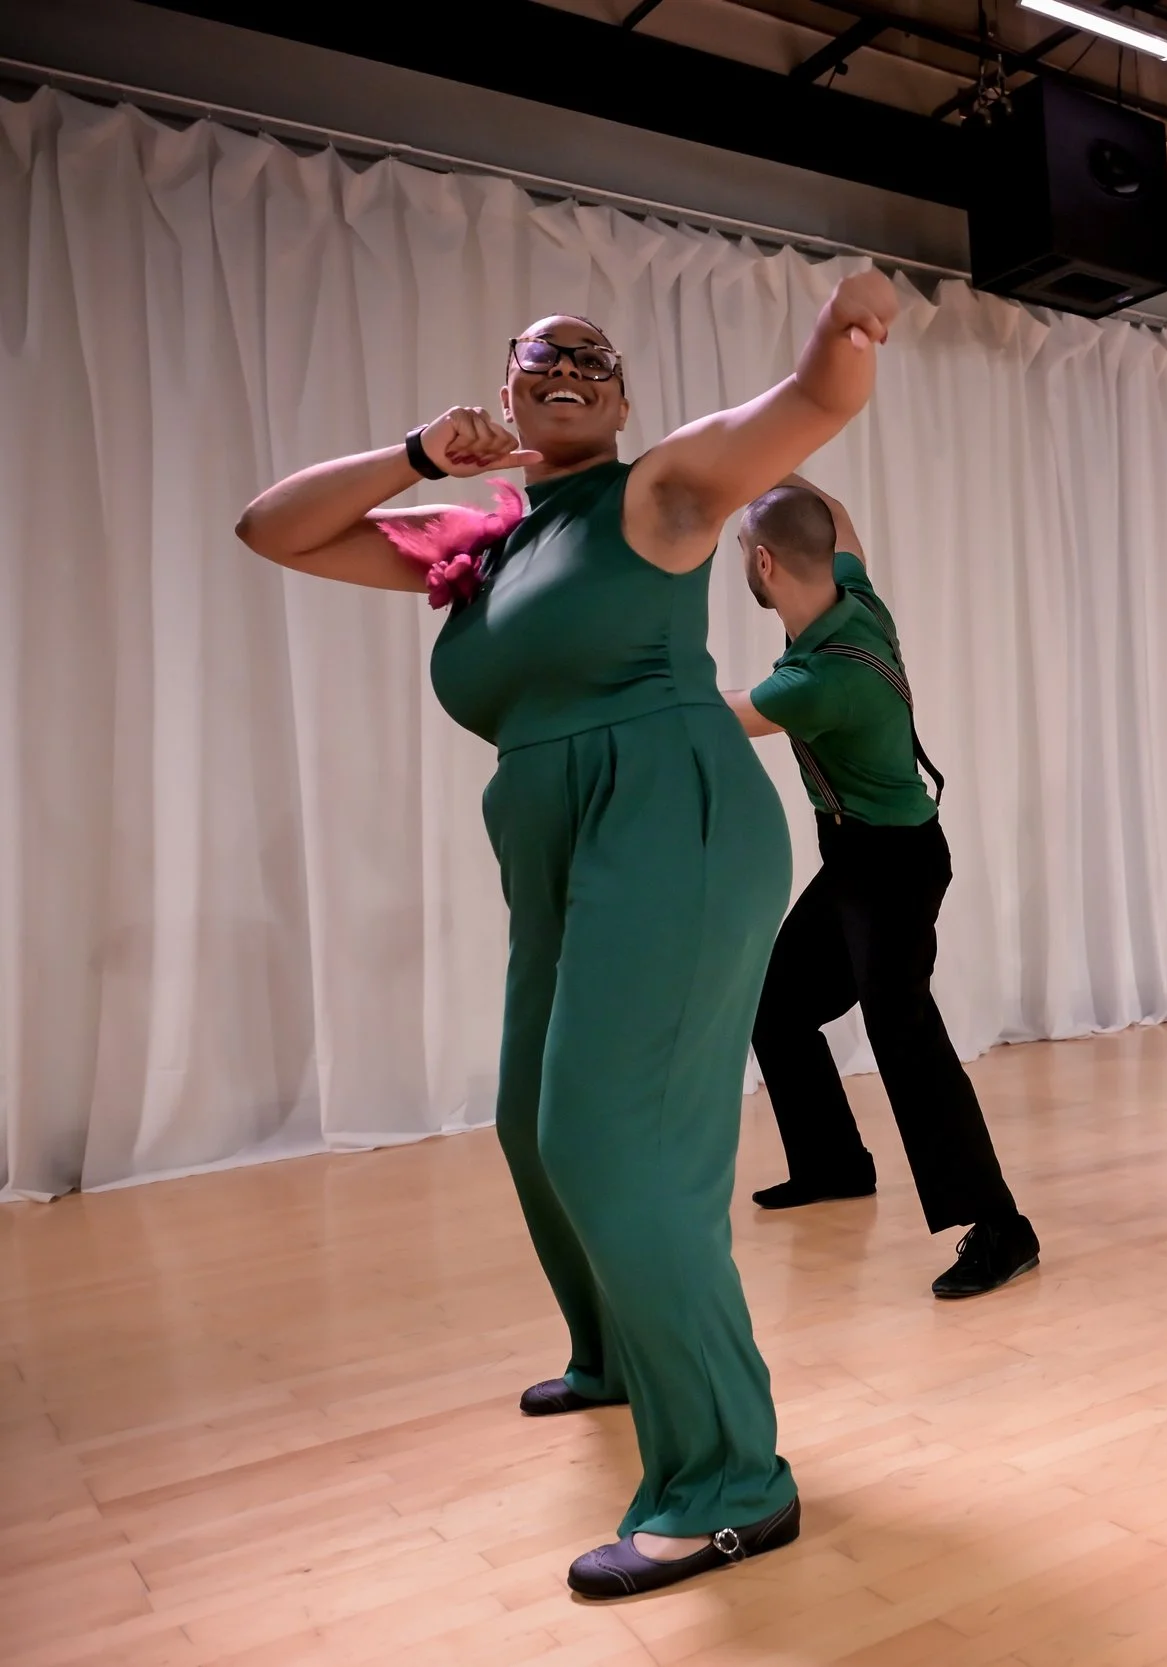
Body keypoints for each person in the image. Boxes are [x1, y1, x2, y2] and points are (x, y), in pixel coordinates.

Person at [234, 269, 902, 1597]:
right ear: (505, 389)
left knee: (612, 1137)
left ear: (623, 394)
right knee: (529, 1116)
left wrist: (846, 333)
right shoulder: (479, 538)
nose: (567, 362)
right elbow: (273, 527)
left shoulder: (651, 495)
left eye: (592, 353)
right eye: (540, 352)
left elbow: (805, 404)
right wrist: (420, 456)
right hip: (553, 837)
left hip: (671, 815)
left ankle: (728, 1480)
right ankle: (613, 1348)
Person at [725, 481, 1040, 1297]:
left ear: (764, 563)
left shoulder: (819, 680)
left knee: (904, 1034)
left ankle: (1001, 1226)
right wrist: (792, 472)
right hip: (866, 859)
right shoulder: (856, 599)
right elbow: (847, 534)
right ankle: (833, 1161)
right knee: (778, 1002)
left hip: (890, 868)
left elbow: (716, 712)